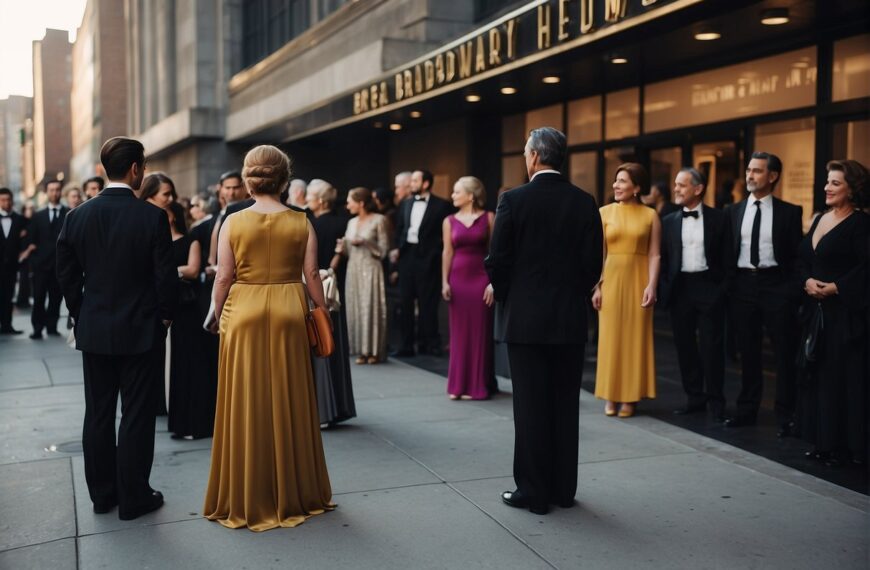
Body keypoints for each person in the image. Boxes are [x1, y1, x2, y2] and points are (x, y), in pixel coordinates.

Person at [203, 144, 333, 531]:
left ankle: (247, 493)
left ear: (248, 178)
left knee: (244, 401)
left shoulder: (232, 221)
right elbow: (312, 275)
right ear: (284, 177)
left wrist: (214, 314)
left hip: (243, 312)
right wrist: (322, 312)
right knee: (290, 399)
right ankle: (296, 491)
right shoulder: (302, 220)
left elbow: (224, 277)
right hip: (289, 311)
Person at [56, 136, 176, 520]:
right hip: (141, 330)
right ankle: (134, 496)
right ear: (137, 168)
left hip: (96, 328)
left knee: (98, 413)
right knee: (137, 415)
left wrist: (82, 312)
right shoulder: (152, 217)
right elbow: (165, 279)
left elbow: (67, 276)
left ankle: (103, 495)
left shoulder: (77, 216)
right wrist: (165, 318)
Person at [486, 127, 602, 515]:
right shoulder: (585, 202)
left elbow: (498, 260)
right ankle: (562, 489)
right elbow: (592, 265)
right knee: (564, 406)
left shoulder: (513, 200)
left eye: (524, 152)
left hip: (526, 320)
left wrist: (508, 297)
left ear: (535, 156)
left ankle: (533, 492)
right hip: (568, 319)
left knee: (531, 407)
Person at [724, 152, 803, 432]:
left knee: (784, 353)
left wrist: (791, 291)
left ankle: (785, 415)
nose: (750, 175)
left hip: (776, 286)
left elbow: (797, 256)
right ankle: (746, 410)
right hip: (743, 286)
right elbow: (725, 253)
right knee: (748, 352)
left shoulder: (790, 212)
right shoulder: (732, 211)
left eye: (757, 171)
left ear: (773, 176)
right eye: (748, 170)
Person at [798, 159, 868, 465]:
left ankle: (844, 446)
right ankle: (822, 441)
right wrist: (807, 281)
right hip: (816, 311)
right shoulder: (819, 219)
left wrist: (837, 287)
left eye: (835, 183)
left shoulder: (861, 224)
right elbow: (803, 259)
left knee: (843, 380)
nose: (827, 187)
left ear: (852, 190)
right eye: (827, 181)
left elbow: (868, 268)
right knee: (818, 376)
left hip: (846, 315)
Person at [658, 168, 730, 421]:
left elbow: (727, 258)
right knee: (685, 347)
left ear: (698, 189)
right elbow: (664, 260)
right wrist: (666, 287)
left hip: (709, 287)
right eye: (675, 184)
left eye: (682, 185)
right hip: (681, 290)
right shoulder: (668, 221)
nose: (676, 189)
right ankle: (694, 398)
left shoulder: (720, 219)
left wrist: (720, 291)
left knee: (712, 348)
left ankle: (716, 401)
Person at [593, 163, 661, 418]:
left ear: (637, 187)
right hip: (610, 279)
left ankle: (631, 397)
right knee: (610, 339)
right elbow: (599, 253)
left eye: (622, 181)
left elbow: (655, 254)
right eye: (616, 180)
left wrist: (652, 285)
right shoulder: (603, 213)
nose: (616, 185)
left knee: (635, 338)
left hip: (639, 281)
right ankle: (610, 395)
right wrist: (596, 287)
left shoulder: (650, 215)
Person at [307, 179, 356, 427]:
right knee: (333, 342)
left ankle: (324, 410)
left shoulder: (309, 225)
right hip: (336, 287)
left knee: (319, 343)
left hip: (317, 289)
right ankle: (339, 405)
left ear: (321, 200)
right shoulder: (342, 223)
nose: (306, 199)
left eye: (310, 195)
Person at [442, 176, 495, 400]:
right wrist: (444, 281)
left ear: (471, 196)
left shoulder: (489, 217)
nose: (452, 195)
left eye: (457, 192)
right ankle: (458, 385)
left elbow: (495, 252)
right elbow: (447, 252)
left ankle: (479, 385)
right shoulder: (449, 221)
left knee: (481, 332)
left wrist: (494, 281)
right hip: (457, 279)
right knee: (459, 333)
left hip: (481, 279)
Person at [391, 169, 452, 356]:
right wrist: (398, 250)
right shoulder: (405, 204)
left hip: (428, 259)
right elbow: (400, 229)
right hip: (407, 256)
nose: (412, 184)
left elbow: (447, 234)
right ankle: (406, 346)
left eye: (415, 181)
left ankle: (430, 344)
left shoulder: (442, 206)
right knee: (405, 302)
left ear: (426, 183)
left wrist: (435, 252)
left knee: (428, 303)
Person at [161, 204, 209, 439]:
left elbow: (192, 270)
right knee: (176, 364)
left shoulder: (191, 240)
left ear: (173, 217)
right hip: (168, 306)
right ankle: (180, 424)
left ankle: (197, 423)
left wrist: (167, 271)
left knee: (191, 362)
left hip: (188, 307)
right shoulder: (157, 242)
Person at [338, 187, 389, 364]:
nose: (347, 204)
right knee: (356, 307)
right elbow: (346, 251)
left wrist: (366, 242)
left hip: (371, 268)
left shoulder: (379, 220)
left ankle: (374, 351)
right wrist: (342, 246)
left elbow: (384, 250)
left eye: (350, 200)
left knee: (371, 307)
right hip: (354, 268)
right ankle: (360, 350)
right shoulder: (351, 223)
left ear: (360, 203)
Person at [22, 180, 69, 339]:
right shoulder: (38, 216)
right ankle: (37, 328)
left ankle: (52, 327)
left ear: (61, 191)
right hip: (41, 267)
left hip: (60, 266)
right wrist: (35, 262)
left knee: (56, 298)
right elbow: (31, 241)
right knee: (39, 298)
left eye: (57, 190)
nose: (54, 193)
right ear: (46, 192)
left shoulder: (68, 214)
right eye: (51, 190)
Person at [0, 188, 28, 334]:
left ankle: (7, 325)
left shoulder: (19, 219)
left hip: (11, 266)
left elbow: (26, 238)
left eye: (8, 199)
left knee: (8, 296)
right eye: (3, 200)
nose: (6, 202)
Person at [14, 201, 35, 309]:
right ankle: (21, 300)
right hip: (21, 254)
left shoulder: (35, 221)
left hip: (31, 254)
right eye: (29, 208)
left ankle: (26, 299)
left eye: (32, 208)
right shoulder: (20, 221)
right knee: (23, 278)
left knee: (29, 278)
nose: (31, 210)